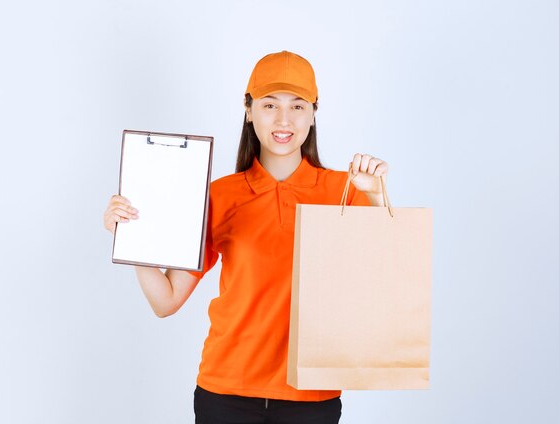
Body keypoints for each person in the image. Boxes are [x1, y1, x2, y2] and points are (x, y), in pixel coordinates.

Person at [103, 50, 388, 424]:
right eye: (270, 104)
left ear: (314, 112)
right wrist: (134, 238)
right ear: (249, 109)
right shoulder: (220, 195)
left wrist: (377, 196)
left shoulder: (344, 190)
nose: (284, 119)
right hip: (225, 394)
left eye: (298, 106)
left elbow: (384, 279)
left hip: (311, 396)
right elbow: (166, 301)